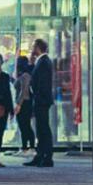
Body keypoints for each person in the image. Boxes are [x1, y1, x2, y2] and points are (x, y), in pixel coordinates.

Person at [24, 39, 55, 168]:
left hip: (41, 100)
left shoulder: (44, 62)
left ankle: (47, 156)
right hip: (41, 99)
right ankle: (40, 154)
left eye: (33, 46)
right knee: (40, 129)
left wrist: (37, 95)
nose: (31, 49)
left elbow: (41, 83)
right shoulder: (41, 61)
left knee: (43, 129)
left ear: (38, 47)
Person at [11, 56, 35, 157]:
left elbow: (23, 91)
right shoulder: (22, 76)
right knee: (23, 126)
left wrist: (18, 104)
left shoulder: (25, 75)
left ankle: (29, 147)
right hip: (23, 103)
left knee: (25, 125)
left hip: (24, 103)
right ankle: (25, 147)